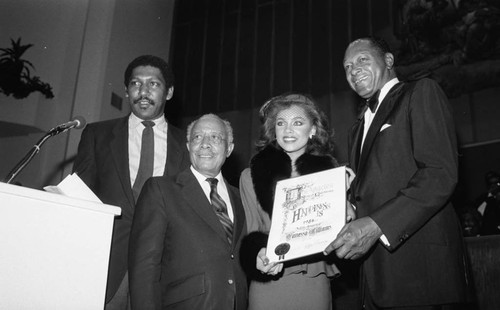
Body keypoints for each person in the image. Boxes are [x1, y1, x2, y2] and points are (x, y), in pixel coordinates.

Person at [324, 37, 470, 309]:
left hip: (422, 272)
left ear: (389, 61)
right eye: (347, 67)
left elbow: (439, 174)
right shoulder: (355, 129)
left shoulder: (420, 92)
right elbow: (367, 190)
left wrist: (376, 224)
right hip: (374, 275)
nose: (353, 70)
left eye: (362, 59)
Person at [72, 55, 190, 309]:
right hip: (108, 265)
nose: (143, 92)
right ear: (127, 91)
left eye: (153, 84)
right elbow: (81, 198)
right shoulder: (97, 135)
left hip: (164, 270)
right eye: (136, 84)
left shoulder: (189, 145)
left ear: (168, 92)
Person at [239, 93, 350, 310]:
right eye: (281, 123)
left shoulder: (332, 177)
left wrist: (349, 207)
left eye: (298, 122)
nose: (288, 130)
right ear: (274, 130)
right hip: (269, 282)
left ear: (313, 130)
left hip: (313, 280)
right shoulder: (248, 176)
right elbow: (250, 232)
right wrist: (260, 253)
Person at [128, 114, 248, 310]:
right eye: (197, 137)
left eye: (215, 137)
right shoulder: (161, 189)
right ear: (188, 146)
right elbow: (144, 269)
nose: (205, 144)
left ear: (229, 149)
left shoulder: (241, 197)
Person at [476, 171, 500, 235]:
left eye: (497, 183)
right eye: (491, 183)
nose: (494, 186)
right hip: (487, 233)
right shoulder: (482, 199)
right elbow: (479, 213)